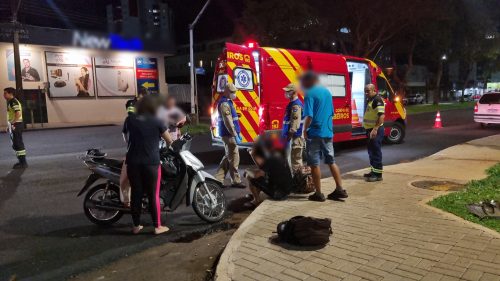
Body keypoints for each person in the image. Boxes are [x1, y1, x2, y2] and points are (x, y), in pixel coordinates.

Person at [123, 95, 173, 235]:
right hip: (151, 163)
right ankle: (157, 226)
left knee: (136, 194)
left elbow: (126, 139)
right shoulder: (157, 120)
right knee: (153, 194)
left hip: (133, 162)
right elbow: (169, 140)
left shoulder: (129, 119)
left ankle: (136, 226)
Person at [302, 71, 347, 202]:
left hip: (315, 133)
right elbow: (331, 112)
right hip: (328, 131)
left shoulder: (309, 94)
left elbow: (309, 115)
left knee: (314, 164)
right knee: (331, 161)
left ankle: (319, 193)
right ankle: (340, 189)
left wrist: (305, 130)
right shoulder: (327, 92)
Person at [245, 135, 293, 208]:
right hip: (287, 190)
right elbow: (262, 169)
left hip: (278, 194)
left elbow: (257, 175)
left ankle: (256, 200)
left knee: (249, 175)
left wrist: (247, 170)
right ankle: (256, 194)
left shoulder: (270, 158)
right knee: (260, 175)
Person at [120, 88, 148, 207]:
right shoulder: (132, 105)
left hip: (136, 145)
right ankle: (127, 201)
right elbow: (131, 116)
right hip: (135, 149)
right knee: (126, 178)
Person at [215, 83, 245, 188]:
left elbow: (231, 118)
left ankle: (218, 179)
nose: (234, 94)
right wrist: (235, 134)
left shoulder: (228, 102)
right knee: (234, 157)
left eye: (234, 92)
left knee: (229, 157)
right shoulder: (224, 104)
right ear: (226, 91)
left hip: (228, 134)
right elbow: (228, 122)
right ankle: (236, 181)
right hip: (229, 134)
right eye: (232, 92)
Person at [363, 84, 385, 182]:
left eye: (368, 91)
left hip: (375, 130)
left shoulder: (377, 100)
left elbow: (381, 116)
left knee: (376, 152)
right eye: (365, 91)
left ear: (373, 90)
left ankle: (378, 175)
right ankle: (373, 172)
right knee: (371, 152)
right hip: (370, 130)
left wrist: (375, 129)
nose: (366, 93)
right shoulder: (371, 100)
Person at [281, 83, 304, 171]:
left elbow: (295, 123)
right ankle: (294, 181)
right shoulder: (291, 104)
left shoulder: (296, 105)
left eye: (287, 91)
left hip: (295, 137)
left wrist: (289, 136)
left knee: (296, 162)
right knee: (291, 161)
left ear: (293, 92)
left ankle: (299, 182)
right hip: (290, 136)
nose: (285, 93)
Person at [3, 87, 27, 169]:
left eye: (5, 93)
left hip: (17, 124)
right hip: (14, 124)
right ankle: (21, 161)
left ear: (10, 93)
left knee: (18, 143)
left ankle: (23, 163)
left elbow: (18, 113)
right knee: (16, 144)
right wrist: (9, 125)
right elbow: (12, 115)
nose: (4, 95)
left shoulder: (13, 101)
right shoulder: (11, 102)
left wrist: (13, 123)